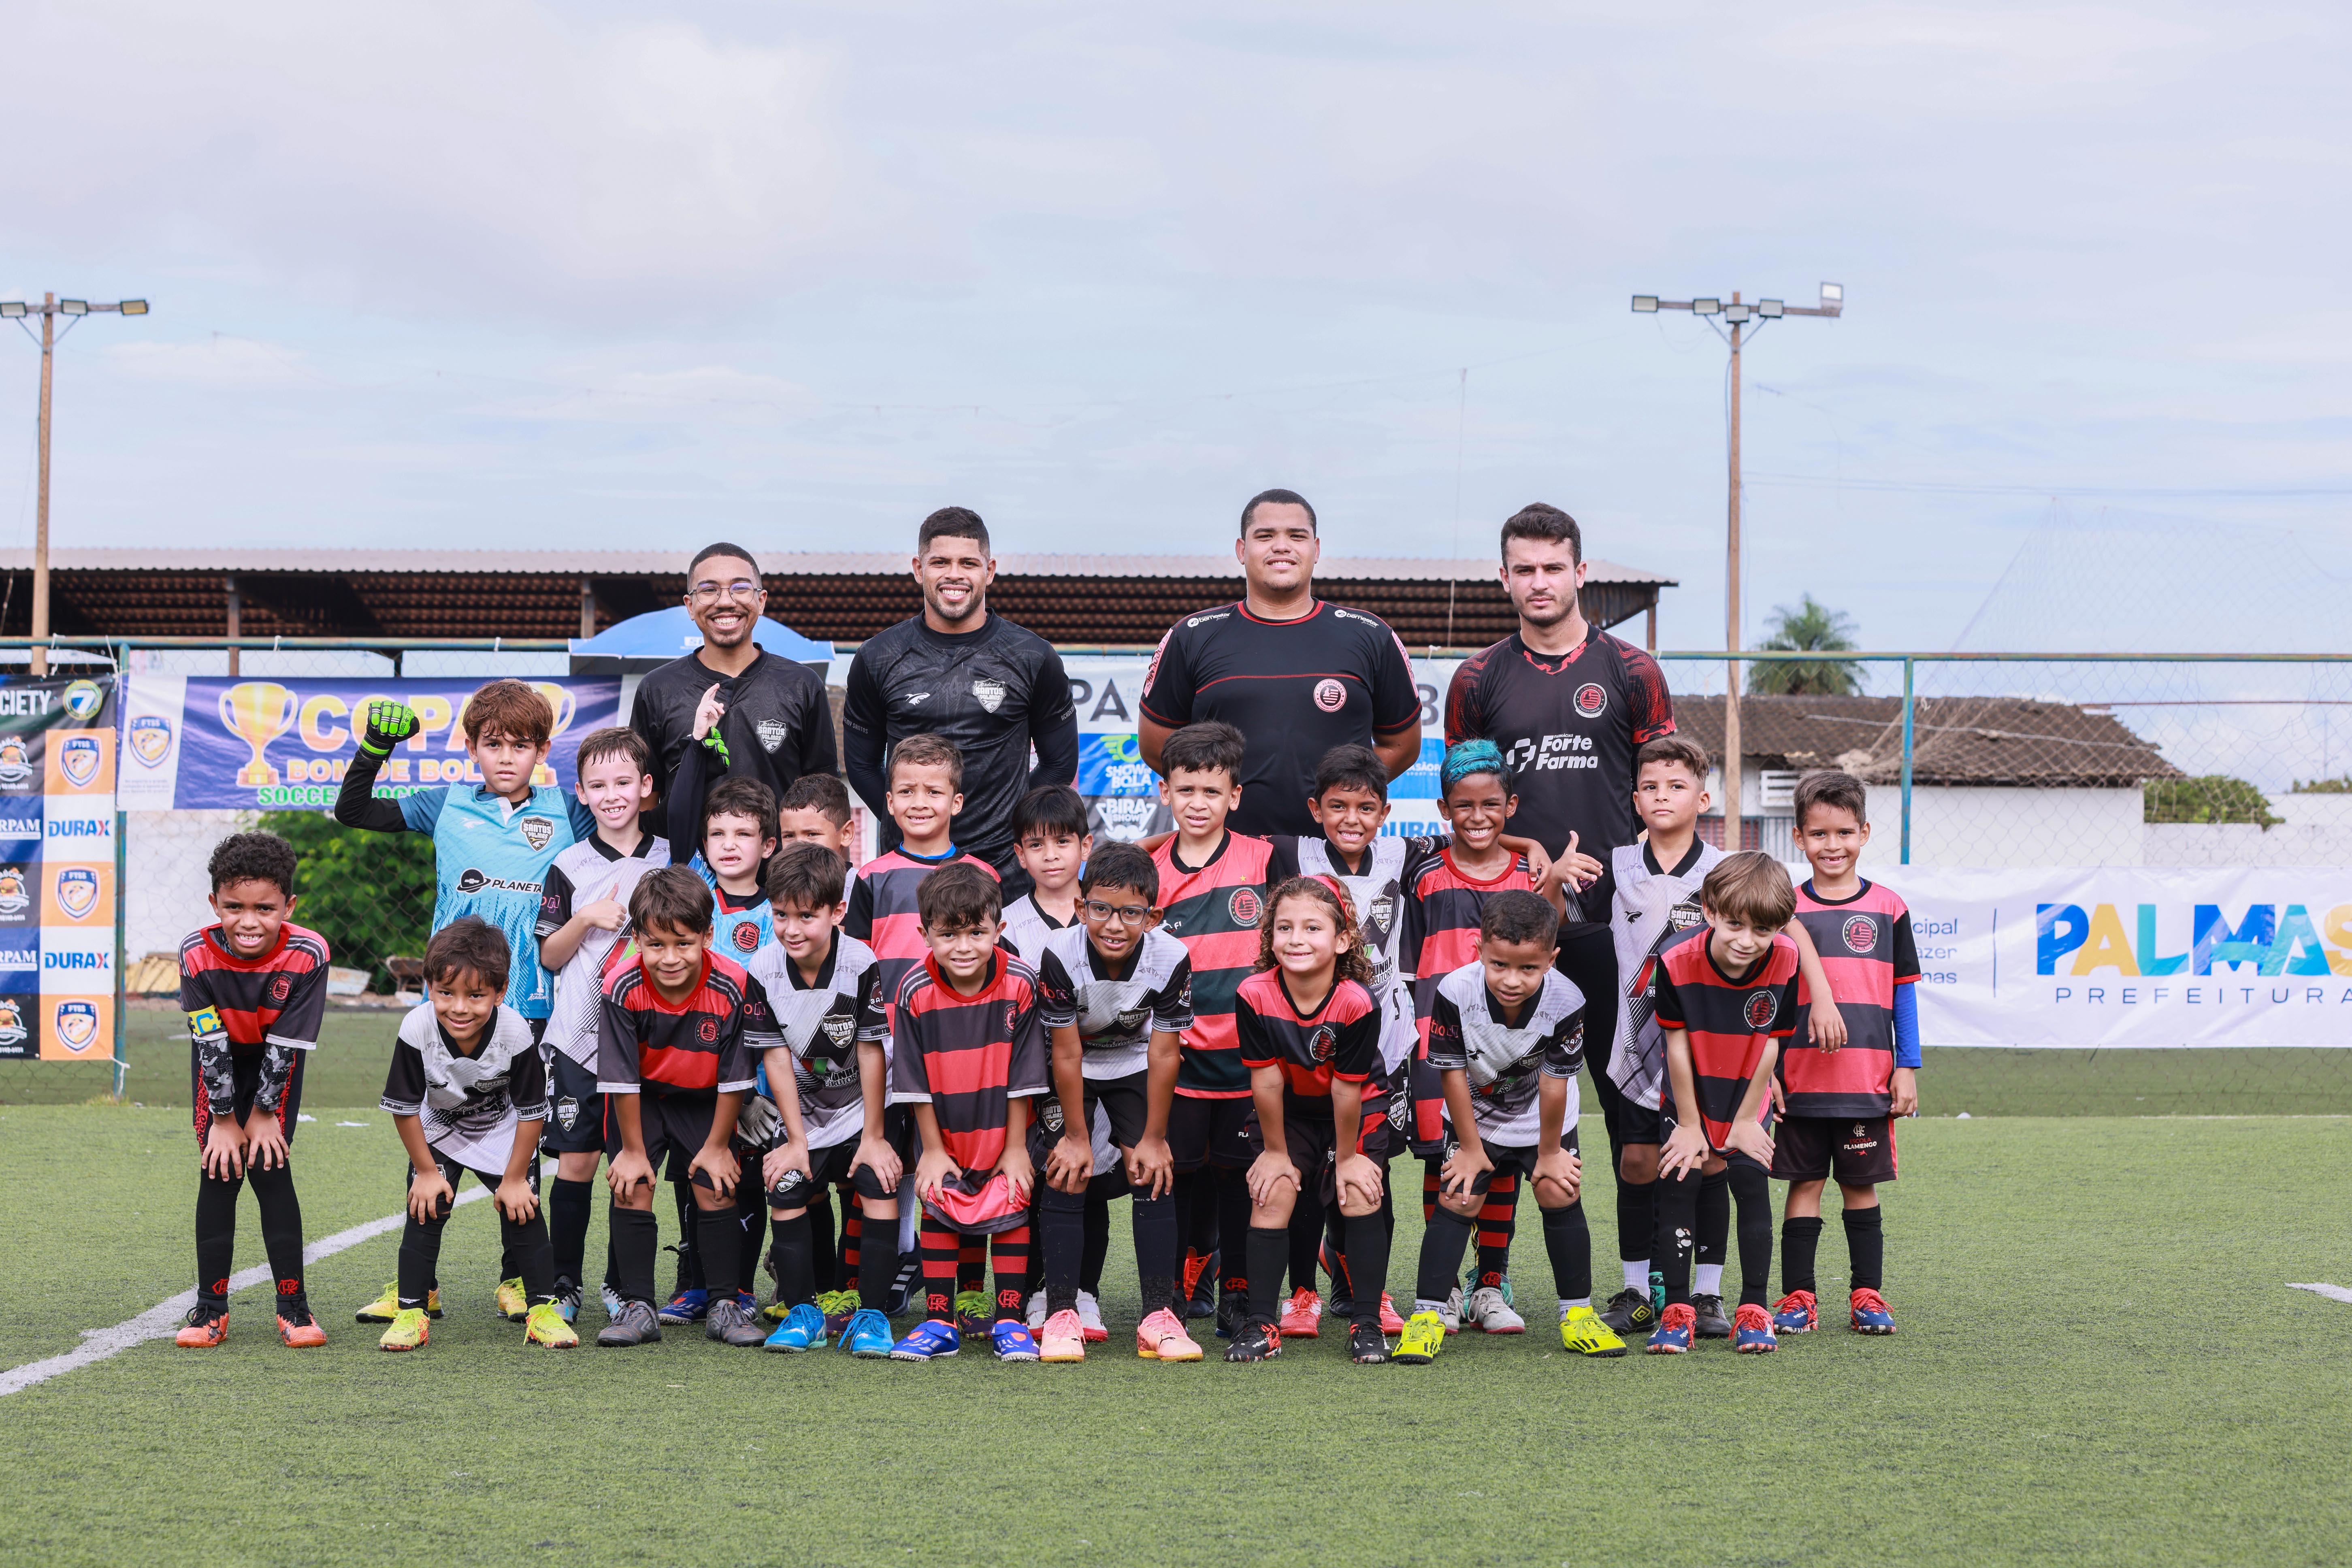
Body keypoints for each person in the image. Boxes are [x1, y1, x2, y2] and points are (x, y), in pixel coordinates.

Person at [1441, 503, 1676, 1297]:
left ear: (1581, 571)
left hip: (1619, 929)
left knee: (1632, 1108)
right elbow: (1466, 797)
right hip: (1512, 932)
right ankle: (1488, 1281)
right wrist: (1533, 864)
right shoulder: (1478, 679)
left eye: (1553, 567)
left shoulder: (1633, 671)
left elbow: (1665, 794)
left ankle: (1644, 1282)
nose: (1539, 582)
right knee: (1492, 1102)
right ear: (1504, 577)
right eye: (1524, 569)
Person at [1604, 737, 1848, 1341]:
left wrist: (1822, 994)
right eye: (1653, 787)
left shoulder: (1733, 877)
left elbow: (1782, 949)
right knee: (1645, 1166)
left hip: (1735, 1067)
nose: (1747, 936)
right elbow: (1576, 932)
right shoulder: (1618, 868)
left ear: (1703, 797)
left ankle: (1720, 1301)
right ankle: (1647, 1292)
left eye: (1678, 786)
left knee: (1726, 1174)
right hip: (1646, 1049)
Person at [1393, 891, 1625, 1364]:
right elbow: (1452, 1073)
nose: (1512, 980)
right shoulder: (1455, 991)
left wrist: (1549, 1154)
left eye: (1528, 969)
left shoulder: (1567, 998)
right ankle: (1428, 1316)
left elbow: (1556, 1083)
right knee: (1459, 1194)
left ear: (1551, 959)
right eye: (1499, 965)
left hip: (1543, 1117)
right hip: (1473, 1114)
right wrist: (1472, 1149)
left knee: (1559, 1190)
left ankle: (1577, 1314)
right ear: (1478, 949)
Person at [1139, 488, 1421, 839]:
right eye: (1266, 535)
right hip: (1225, 856)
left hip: (1333, 856)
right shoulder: (1191, 637)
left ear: (1316, 550)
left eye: (1297, 536)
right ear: (1242, 550)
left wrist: (1348, 795)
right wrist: (1214, 795)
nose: (1282, 546)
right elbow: (1156, 746)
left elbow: (1402, 745)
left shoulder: (1369, 635)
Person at [1147, 722, 1297, 1339]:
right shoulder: (1148, 867)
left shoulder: (1265, 859)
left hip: (1248, 1059)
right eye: (1186, 791)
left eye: (1212, 792)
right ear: (1166, 792)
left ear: (1235, 796)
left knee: (1243, 1180)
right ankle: (1182, 1290)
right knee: (1176, 1177)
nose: (1199, 803)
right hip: (1175, 1060)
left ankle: (1239, 1292)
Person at [842, 508, 1078, 895]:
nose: (955, 574)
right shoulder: (878, 657)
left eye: (968, 563)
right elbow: (862, 764)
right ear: (919, 569)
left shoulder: (1034, 657)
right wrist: (908, 820)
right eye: (941, 562)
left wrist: (1011, 821)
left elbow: (1059, 763)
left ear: (990, 570)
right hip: (909, 868)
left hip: (1004, 870)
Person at [594, 867, 780, 1349]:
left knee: (716, 1186)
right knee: (631, 1183)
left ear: (707, 935)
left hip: (706, 1098)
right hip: (643, 1099)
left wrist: (719, 1146)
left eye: (683, 943)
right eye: (655, 944)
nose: (670, 957)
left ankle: (725, 1303)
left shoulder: (734, 983)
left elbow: (736, 1078)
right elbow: (623, 1079)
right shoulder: (620, 985)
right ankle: (638, 1305)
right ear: (636, 939)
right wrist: (632, 1150)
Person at [1029, 842, 1199, 1363]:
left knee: (1153, 1168)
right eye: (1101, 908)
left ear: (1154, 916)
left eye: (1132, 912)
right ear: (1081, 908)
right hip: (1073, 1063)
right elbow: (1065, 1049)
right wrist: (1077, 1137)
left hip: (1132, 1062)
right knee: (1067, 1167)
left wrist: (1152, 1137)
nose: (1114, 924)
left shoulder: (1172, 956)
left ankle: (1158, 1314)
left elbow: (1165, 1049)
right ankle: (1062, 1312)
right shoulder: (1060, 952)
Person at [374, 918, 576, 1351]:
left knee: (524, 1211)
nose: (460, 1007)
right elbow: (406, 1109)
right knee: (426, 1208)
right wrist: (427, 1173)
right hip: (439, 1125)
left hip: (501, 1127)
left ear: (500, 992)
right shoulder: (416, 1027)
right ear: (428, 985)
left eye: (476, 995)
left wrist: (517, 1177)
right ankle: (413, 1308)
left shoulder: (516, 1030)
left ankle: (542, 1309)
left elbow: (531, 1111)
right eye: (446, 993)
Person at [1771, 769, 1920, 1337]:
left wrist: (1907, 1066)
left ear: (1864, 833)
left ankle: (1867, 1296)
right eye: (1819, 835)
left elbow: (1904, 993)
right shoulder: (1783, 910)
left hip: (1867, 1079)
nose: (1832, 846)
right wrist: (1771, 1074)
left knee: (1860, 1186)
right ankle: (1799, 1299)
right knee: (1803, 1184)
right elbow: (1773, 998)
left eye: (1843, 833)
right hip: (1801, 1079)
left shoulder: (1888, 907)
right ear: (1799, 839)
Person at [532, 726, 671, 1324]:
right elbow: (549, 956)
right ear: (582, 794)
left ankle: (623, 1285)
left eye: (623, 782)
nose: (611, 794)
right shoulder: (568, 864)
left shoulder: (671, 857)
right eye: (597, 785)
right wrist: (585, 918)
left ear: (645, 788)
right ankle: (564, 1285)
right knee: (578, 1164)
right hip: (577, 1040)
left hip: (645, 1043)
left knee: (629, 1165)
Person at [740, 843, 901, 1359]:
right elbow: (777, 1060)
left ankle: (872, 1316)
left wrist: (875, 1137)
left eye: (807, 916)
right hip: (804, 1112)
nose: (791, 928)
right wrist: (796, 1140)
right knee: (786, 1179)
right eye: (781, 914)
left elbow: (873, 1050)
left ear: (836, 912)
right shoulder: (762, 968)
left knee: (878, 1177)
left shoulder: (861, 960)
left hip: (863, 1107)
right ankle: (803, 1311)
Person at [884, 863, 1050, 1362]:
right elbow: (911, 1078)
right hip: (946, 1129)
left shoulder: (1021, 982)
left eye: (977, 932)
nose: (963, 945)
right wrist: (931, 1150)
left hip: (1004, 1128)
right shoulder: (913, 989)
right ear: (924, 934)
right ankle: (939, 1322)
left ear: (998, 930)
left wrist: (1017, 1146)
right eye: (948, 933)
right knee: (937, 1197)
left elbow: (1026, 1072)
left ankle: (1010, 1320)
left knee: (1012, 1200)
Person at [175, 831, 330, 1350]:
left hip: (275, 1063)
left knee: (269, 1167)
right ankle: (210, 1308)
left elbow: (286, 1045)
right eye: (234, 906)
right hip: (217, 1062)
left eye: (265, 908)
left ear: (289, 905)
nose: (248, 920)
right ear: (214, 902)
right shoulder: (196, 953)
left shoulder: (309, 953)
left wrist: (263, 1115)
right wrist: (223, 1120)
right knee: (219, 1171)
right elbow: (209, 1040)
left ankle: (294, 1307)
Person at [1643, 852, 1802, 1356]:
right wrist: (1691, 1124)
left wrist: (1743, 1120)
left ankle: (1754, 1310)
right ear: (1710, 910)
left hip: (1746, 1094)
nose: (1747, 941)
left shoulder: (1788, 958)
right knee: (1681, 1181)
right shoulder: (1674, 959)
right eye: (1735, 923)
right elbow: (1677, 1046)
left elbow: (1773, 1042)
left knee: (1752, 1183)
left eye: (1763, 929)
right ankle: (1678, 1311)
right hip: (1689, 1092)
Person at [1228, 877, 1391, 1364]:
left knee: (1359, 1192)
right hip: (1290, 1108)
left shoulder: (1356, 1001)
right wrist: (1276, 1154)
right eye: (1285, 927)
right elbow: (1267, 1083)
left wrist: (1347, 1159)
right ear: (1269, 937)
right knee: (1272, 1189)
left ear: (1342, 940)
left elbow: (1347, 1088)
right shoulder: (1253, 993)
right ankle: (1261, 1324)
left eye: (1312, 927)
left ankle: (1367, 1323)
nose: (1296, 938)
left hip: (1357, 1104)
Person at [628, 541, 837, 845]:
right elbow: (647, 794)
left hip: (782, 880)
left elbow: (824, 795)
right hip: (688, 883)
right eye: (709, 590)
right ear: (690, 605)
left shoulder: (802, 685)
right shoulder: (658, 688)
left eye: (740, 588)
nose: (725, 602)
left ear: (761, 600)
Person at [1001, 784, 1092, 958]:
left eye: (1063, 841)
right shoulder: (1007, 925)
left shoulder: (1106, 912)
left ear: (1085, 847)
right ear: (1021, 854)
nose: (1050, 856)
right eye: (1036, 845)